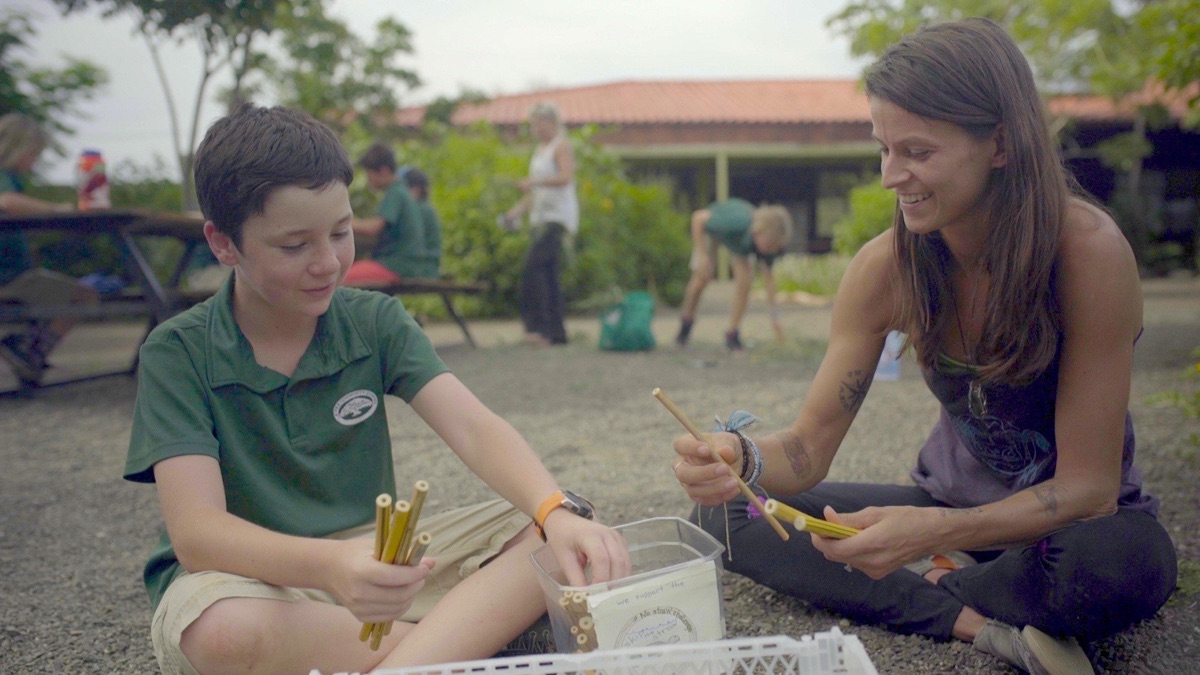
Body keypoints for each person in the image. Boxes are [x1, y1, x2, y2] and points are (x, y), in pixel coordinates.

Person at [670, 18, 1175, 675]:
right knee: (730, 515)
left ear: (999, 144)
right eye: (884, 148)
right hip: (949, 504)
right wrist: (741, 458)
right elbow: (807, 449)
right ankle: (975, 621)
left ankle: (938, 576)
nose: (891, 175)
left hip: (1067, 529)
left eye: (916, 152)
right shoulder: (886, 268)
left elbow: (1089, 489)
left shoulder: (1087, 254)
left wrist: (930, 536)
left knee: (1107, 564)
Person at [123, 104, 631, 674]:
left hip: (381, 567)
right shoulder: (178, 351)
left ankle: (421, 653)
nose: (327, 263)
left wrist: (555, 511)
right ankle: (462, 642)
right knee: (221, 633)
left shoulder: (375, 321)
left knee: (563, 534)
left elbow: (473, 427)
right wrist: (331, 565)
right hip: (248, 579)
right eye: (294, 246)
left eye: (341, 233)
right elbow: (198, 535)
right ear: (223, 244)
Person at [0, 112, 93, 386]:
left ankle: (25, 348)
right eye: (34, 154)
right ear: (17, 148)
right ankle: (28, 351)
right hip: (10, 278)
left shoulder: (12, 178)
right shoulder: (4, 177)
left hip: (16, 273)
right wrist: (56, 209)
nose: (35, 161)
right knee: (85, 296)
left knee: (68, 292)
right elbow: (6, 202)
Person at [503, 101, 578, 346]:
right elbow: (535, 190)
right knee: (549, 276)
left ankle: (539, 329)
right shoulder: (539, 150)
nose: (535, 129)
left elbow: (565, 177)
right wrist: (516, 211)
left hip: (556, 219)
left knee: (533, 271)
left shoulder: (561, 146)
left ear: (550, 122)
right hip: (540, 217)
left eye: (538, 123)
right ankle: (556, 333)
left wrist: (534, 182)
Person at [674, 199, 793, 351]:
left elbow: (769, 281)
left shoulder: (766, 247)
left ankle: (732, 334)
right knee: (700, 280)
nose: (769, 251)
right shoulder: (737, 223)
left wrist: (775, 317)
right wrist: (702, 255)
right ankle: (686, 324)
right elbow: (698, 218)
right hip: (710, 232)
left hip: (738, 246)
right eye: (769, 245)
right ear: (759, 231)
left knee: (745, 283)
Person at [345, 142, 426, 285]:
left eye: (369, 174)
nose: (368, 180)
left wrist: (344, 222)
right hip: (405, 264)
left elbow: (373, 228)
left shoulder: (395, 192)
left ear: (383, 171)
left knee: (343, 279)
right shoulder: (401, 191)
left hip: (398, 265)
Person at [404, 167, 442, 279]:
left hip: (423, 267)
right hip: (427, 266)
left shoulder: (419, 210)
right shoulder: (425, 207)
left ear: (416, 190)